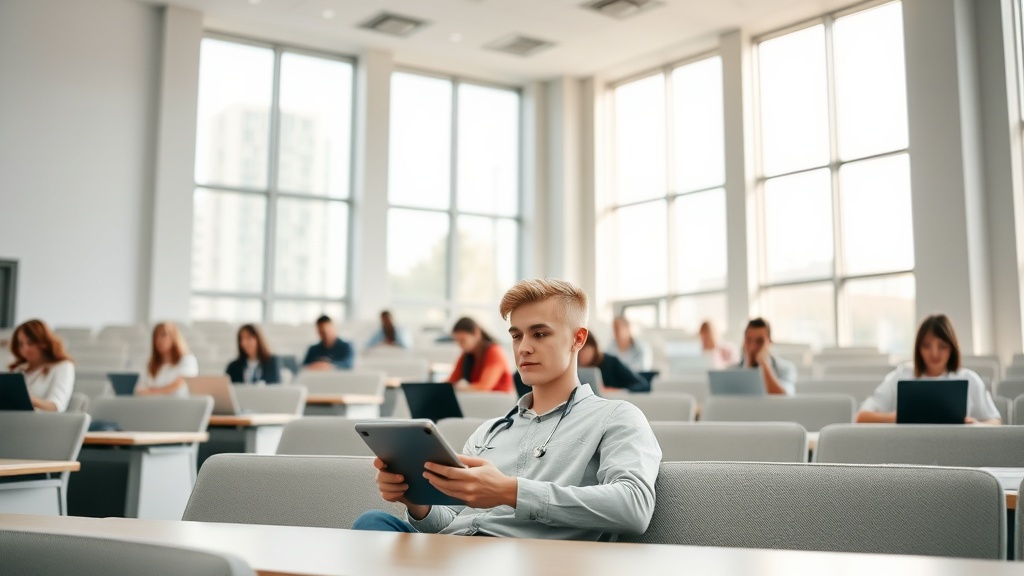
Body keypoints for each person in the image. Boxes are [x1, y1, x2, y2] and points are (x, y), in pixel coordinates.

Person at [354, 278, 661, 539]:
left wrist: (511, 492)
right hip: (455, 555)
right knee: (372, 524)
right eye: (516, 335)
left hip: (524, 561)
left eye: (539, 334)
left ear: (578, 339)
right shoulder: (489, 432)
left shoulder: (616, 417)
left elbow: (634, 506)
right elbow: (452, 522)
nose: (523, 347)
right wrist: (417, 502)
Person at [856, 314, 1000, 424]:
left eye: (942, 346)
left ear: (952, 348)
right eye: (926, 346)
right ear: (918, 349)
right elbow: (861, 417)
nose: (934, 354)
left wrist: (975, 426)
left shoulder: (969, 379)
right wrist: (898, 417)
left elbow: (995, 421)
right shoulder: (900, 376)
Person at [8, 319, 74, 412]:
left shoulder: (62, 366)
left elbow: (56, 407)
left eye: (30, 343)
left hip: (41, 422)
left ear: (44, 343)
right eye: (21, 344)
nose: (25, 349)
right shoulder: (18, 369)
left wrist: (24, 399)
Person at [447, 317, 513, 393]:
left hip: (499, 400)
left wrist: (460, 388)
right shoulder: (467, 354)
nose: (460, 345)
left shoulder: (494, 352)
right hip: (480, 399)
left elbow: (484, 386)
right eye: (457, 341)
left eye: (463, 340)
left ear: (476, 333)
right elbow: (451, 381)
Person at [135, 322, 198, 397]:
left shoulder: (187, 360)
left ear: (174, 337)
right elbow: (140, 387)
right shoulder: (150, 364)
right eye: (155, 336)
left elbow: (181, 383)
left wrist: (152, 392)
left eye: (163, 335)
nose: (158, 340)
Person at [737, 318, 796, 396]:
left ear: (769, 342)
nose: (753, 347)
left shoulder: (785, 368)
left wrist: (762, 361)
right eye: (749, 340)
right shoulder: (731, 370)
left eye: (759, 341)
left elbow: (783, 398)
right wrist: (748, 367)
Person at [578, 334, 649, 392]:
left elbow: (643, 384)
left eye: (583, 349)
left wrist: (617, 391)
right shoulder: (577, 370)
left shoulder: (611, 362)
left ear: (593, 347)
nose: (580, 355)